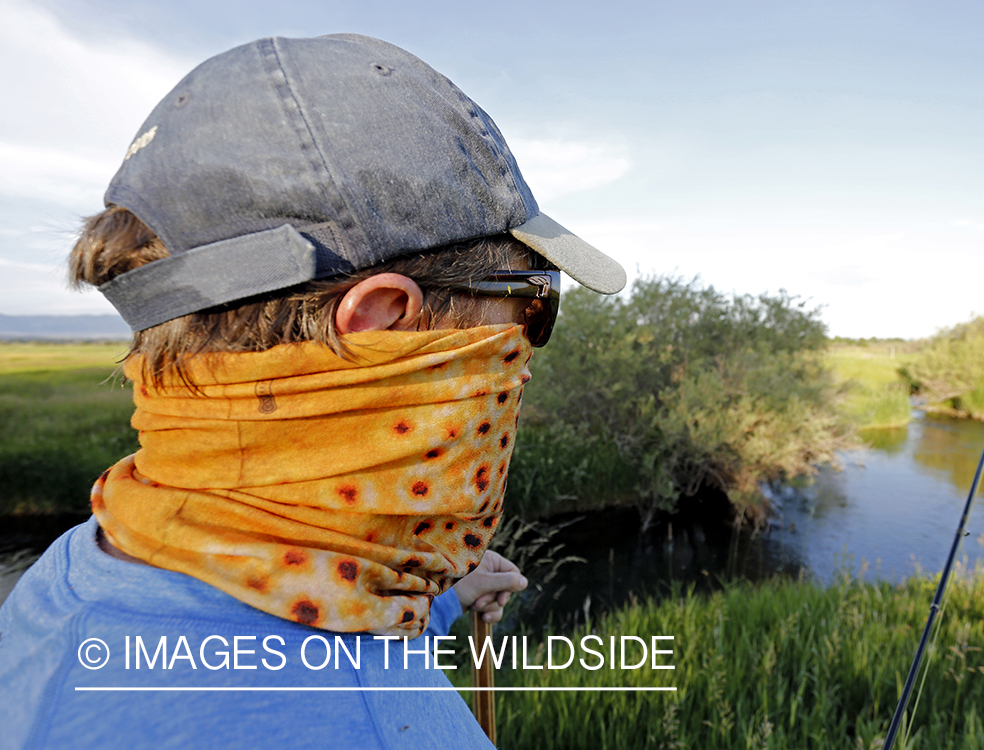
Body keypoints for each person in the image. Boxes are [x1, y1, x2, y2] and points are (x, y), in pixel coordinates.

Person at [0, 34, 625, 749]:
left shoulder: (86, 568)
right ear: (386, 321)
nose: (526, 343)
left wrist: (446, 597)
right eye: (530, 300)